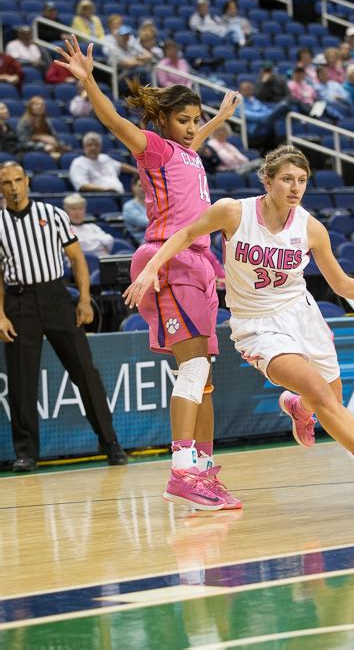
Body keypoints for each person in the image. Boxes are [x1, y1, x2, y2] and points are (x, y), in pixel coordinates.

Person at [124, 144, 354, 501]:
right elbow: (183, 235)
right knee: (320, 392)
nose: (295, 188)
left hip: (303, 316)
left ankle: (296, 406)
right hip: (258, 325)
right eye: (287, 179)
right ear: (267, 180)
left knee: (329, 399)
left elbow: (340, 283)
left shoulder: (311, 228)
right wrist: (152, 267)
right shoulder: (233, 212)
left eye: (302, 180)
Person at [55, 35, 242, 511]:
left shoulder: (189, 151)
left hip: (197, 264)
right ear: (161, 121)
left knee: (205, 379)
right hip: (167, 258)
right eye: (183, 120)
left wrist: (218, 118)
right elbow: (114, 121)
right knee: (193, 368)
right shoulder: (155, 148)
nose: (190, 128)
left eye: (194, 121)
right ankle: (182, 471)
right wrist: (89, 82)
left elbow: (195, 141)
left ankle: (202, 469)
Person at [0, 161, 128, 472]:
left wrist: (84, 299)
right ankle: (26, 454)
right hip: (19, 303)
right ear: (1, 188)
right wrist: (1, 316)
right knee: (21, 381)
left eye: (19, 180)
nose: (14, 187)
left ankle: (109, 442)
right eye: (7, 183)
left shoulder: (54, 215)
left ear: (27, 181)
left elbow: (77, 258)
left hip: (56, 296)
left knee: (85, 372)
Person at [69, 131, 137, 193]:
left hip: (118, 194)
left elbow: (120, 166)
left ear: (101, 147)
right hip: (100, 196)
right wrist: (106, 189)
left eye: (96, 145)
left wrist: (138, 172)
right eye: (90, 145)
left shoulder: (105, 158)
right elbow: (82, 185)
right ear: (84, 147)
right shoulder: (78, 162)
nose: (93, 148)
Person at [63, 193, 114, 258]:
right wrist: (97, 241)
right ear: (66, 211)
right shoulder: (64, 229)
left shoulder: (93, 227)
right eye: (73, 209)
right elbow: (76, 247)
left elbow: (109, 240)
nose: (78, 212)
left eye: (80, 208)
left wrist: (85, 242)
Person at [123, 176, 148, 244]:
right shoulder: (129, 206)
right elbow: (145, 223)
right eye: (140, 185)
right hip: (142, 242)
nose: (143, 188)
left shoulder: (154, 204)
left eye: (145, 185)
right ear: (133, 187)